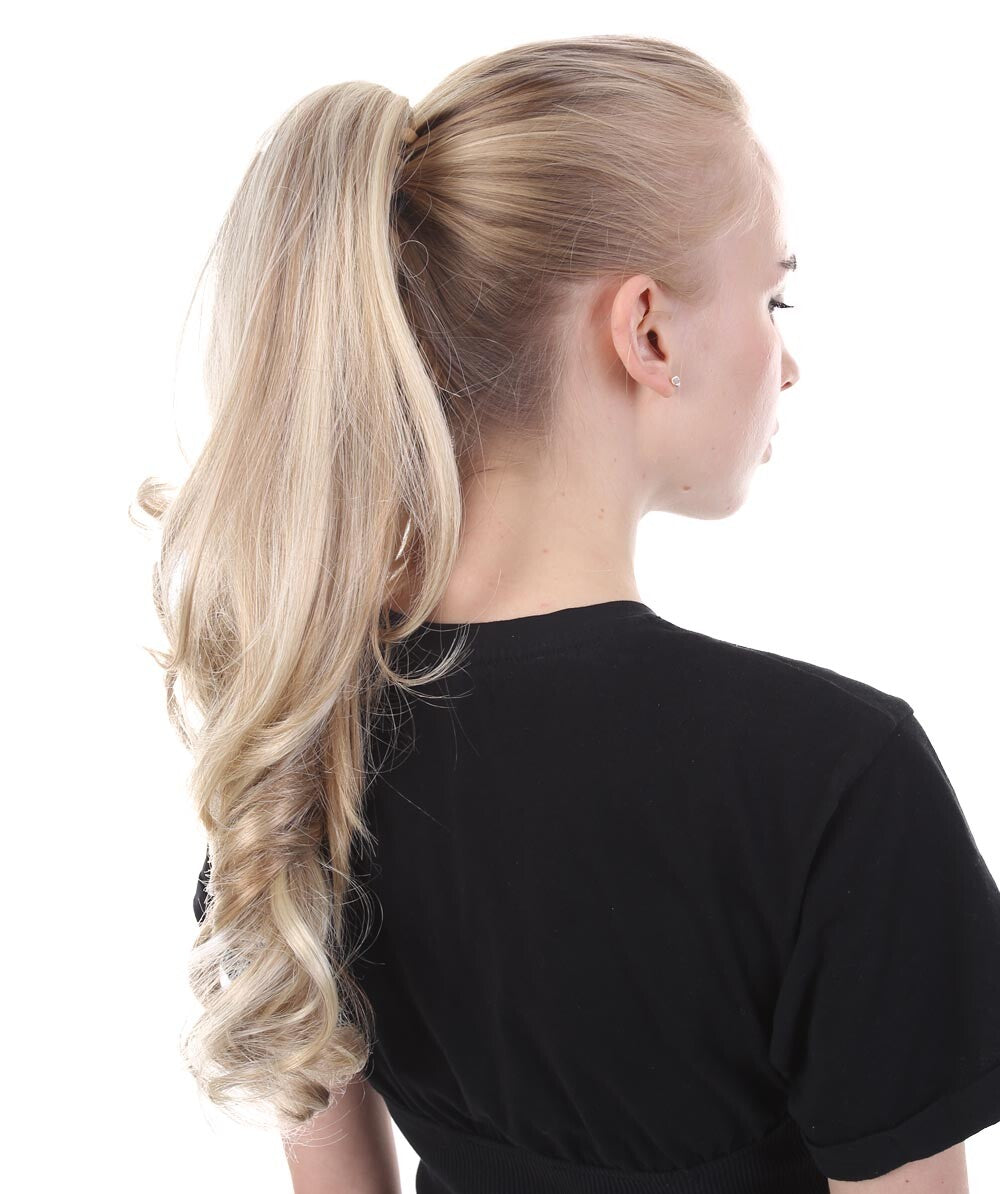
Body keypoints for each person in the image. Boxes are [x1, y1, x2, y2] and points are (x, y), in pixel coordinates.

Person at [137, 33, 1000, 1193]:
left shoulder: (308, 749)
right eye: (772, 296)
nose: (787, 363)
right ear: (646, 331)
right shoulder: (832, 777)